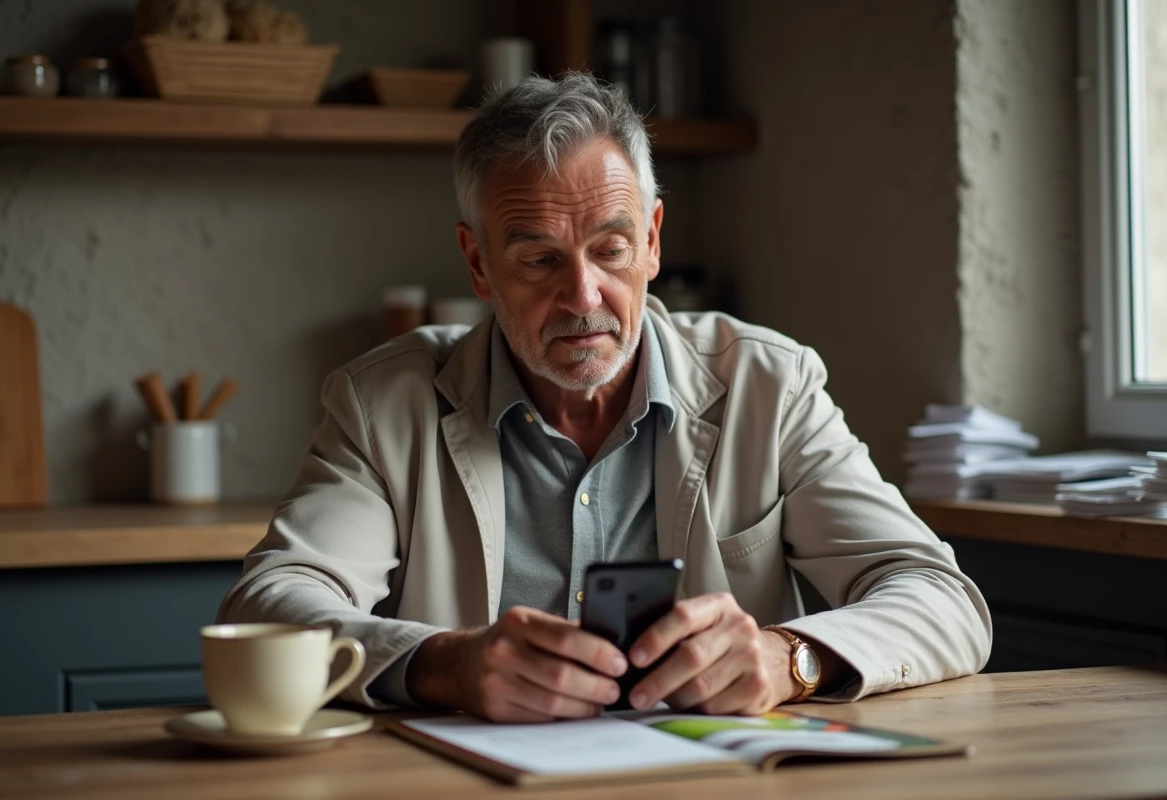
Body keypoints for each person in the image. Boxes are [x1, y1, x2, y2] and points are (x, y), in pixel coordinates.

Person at [218, 72, 991, 722]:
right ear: (478, 263)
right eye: (539, 260)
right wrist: (445, 664)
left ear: (652, 240)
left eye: (611, 249)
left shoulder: (770, 385)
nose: (583, 296)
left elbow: (942, 599)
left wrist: (790, 658)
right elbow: (267, 605)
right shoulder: (380, 403)